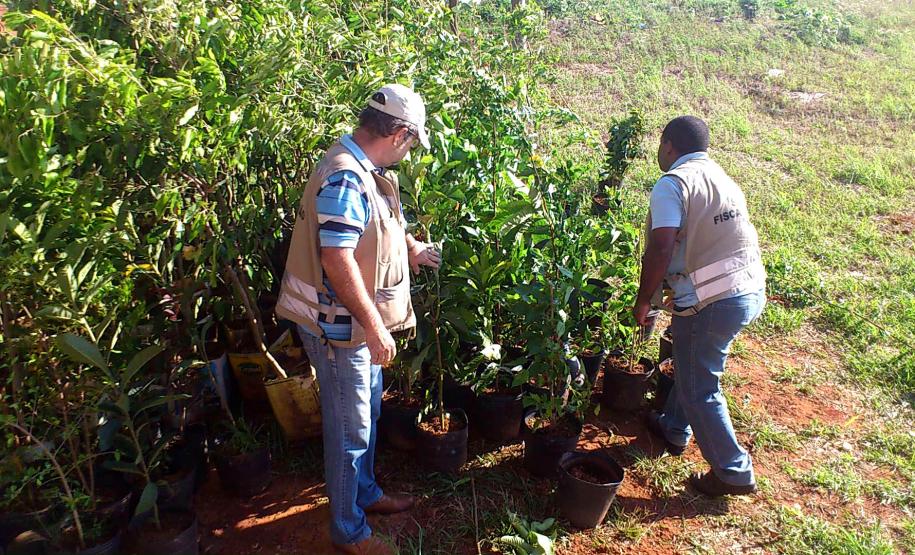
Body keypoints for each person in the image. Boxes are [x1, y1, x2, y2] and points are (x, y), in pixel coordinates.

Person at [276, 84, 441, 555]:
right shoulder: (347, 175)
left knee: (366, 416)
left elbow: (374, 227)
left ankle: (365, 494)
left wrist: (412, 250)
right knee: (351, 430)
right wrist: (373, 326)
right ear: (401, 134)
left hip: (354, 327)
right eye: (412, 143)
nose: (409, 152)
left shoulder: (365, 170)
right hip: (339, 330)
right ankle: (347, 531)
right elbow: (337, 258)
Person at [632, 115, 766, 497]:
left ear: (668, 146)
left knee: (699, 386)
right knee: (689, 356)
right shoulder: (720, 177)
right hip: (748, 288)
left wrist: (644, 300)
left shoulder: (672, 183)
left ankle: (732, 471)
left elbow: (661, 246)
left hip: (714, 300)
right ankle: (674, 427)